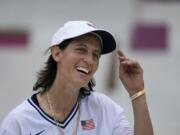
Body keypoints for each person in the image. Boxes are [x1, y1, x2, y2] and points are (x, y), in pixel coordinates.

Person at [0, 20, 153, 135]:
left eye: (96, 55)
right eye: (81, 50)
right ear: (57, 53)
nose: (90, 60)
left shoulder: (105, 109)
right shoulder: (18, 123)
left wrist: (137, 92)